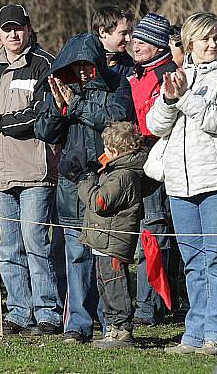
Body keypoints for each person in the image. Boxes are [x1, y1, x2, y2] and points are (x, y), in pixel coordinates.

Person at [146, 12, 217, 355]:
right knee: (192, 259)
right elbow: (156, 124)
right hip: (180, 184)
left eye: (216, 37)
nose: (211, 44)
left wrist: (186, 97)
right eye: (204, 38)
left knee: (216, 256)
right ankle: (195, 333)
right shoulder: (179, 76)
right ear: (190, 42)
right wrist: (171, 98)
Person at [0, 4, 62, 336]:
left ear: (28, 28)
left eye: (18, 28)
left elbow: (42, 115)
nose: (12, 34)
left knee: (36, 242)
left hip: (34, 169)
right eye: (6, 29)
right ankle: (19, 311)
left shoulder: (44, 65)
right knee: (7, 247)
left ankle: (47, 311)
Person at [35, 32, 133, 342]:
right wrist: (55, 106)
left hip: (107, 185)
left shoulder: (118, 84)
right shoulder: (61, 89)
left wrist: (77, 105)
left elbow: (116, 121)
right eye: (75, 67)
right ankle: (78, 324)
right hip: (73, 184)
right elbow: (45, 131)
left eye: (86, 66)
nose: (81, 73)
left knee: (106, 255)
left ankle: (111, 323)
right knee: (76, 255)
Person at [77, 121, 147, 348]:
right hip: (104, 239)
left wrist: (85, 181)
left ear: (116, 151)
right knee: (104, 283)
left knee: (115, 284)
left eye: (106, 148)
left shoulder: (122, 175)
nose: (103, 153)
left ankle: (123, 328)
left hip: (114, 240)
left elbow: (100, 202)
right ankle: (112, 328)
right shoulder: (115, 171)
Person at [127, 13, 177, 326]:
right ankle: (154, 303)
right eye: (135, 39)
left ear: (158, 44)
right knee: (148, 232)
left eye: (143, 41)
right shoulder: (139, 73)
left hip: (157, 161)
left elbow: (156, 123)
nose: (136, 45)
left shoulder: (167, 74)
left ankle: (151, 307)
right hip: (138, 159)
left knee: (155, 232)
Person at [91, 5, 134, 77]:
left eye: (129, 33)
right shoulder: (83, 62)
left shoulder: (131, 67)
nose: (128, 39)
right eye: (123, 33)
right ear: (103, 32)